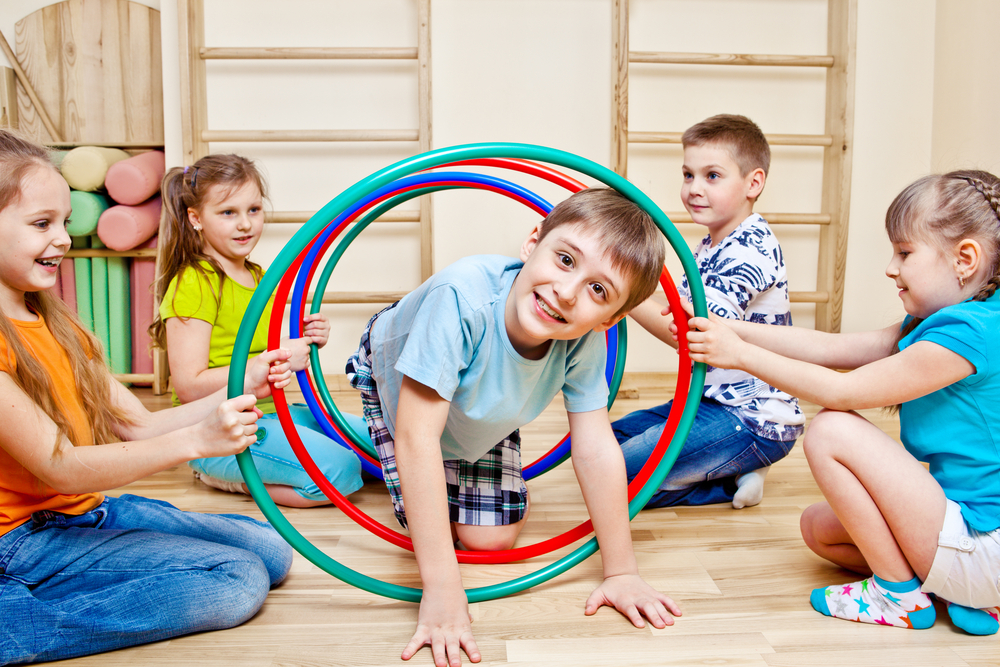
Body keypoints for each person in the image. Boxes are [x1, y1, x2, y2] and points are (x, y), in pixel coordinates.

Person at [346, 188, 682, 666]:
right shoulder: (460, 297)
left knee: (489, 540)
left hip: (480, 399)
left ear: (611, 319)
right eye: (565, 259)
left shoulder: (583, 340)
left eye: (598, 290)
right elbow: (417, 438)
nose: (567, 291)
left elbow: (594, 446)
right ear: (533, 243)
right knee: (424, 469)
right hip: (398, 376)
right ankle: (362, 443)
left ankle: (484, 420)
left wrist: (621, 570)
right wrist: (442, 589)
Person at [0, 130, 295, 663]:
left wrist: (249, 382)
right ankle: (16, 622)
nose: (64, 238)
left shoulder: (55, 321)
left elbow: (135, 425)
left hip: (82, 513)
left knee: (270, 551)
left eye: (65, 222)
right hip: (21, 542)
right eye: (42, 224)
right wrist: (198, 440)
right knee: (238, 579)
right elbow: (59, 467)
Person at [683, 170, 1000, 634]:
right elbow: (834, 349)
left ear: (965, 259)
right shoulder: (940, 322)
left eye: (905, 253)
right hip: (964, 534)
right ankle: (955, 592)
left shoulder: (970, 334)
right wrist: (727, 328)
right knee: (818, 529)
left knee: (832, 427)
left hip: (983, 542)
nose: (892, 267)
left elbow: (842, 390)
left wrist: (740, 355)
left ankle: (898, 596)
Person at [151, 154, 363, 508]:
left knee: (376, 439)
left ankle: (264, 464)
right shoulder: (194, 283)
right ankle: (221, 474)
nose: (244, 224)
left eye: (253, 210)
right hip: (221, 426)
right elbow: (188, 386)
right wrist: (264, 364)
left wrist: (307, 342)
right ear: (195, 218)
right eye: (228, 213)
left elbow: (264, 354)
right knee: (340, 471)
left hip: (272, 411)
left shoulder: (260, 278)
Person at [617, 114, 804, 509]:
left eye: (712, 176)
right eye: (688, 175)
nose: (694, 189)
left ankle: (730, 478)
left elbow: (688, 333)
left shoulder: (748, 248)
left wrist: (623, 296)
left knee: (614, 475)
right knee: (603, 444)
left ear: (753, 183)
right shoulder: (710, 245)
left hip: (754, 418)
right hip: (707, 402)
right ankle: (731, 468)